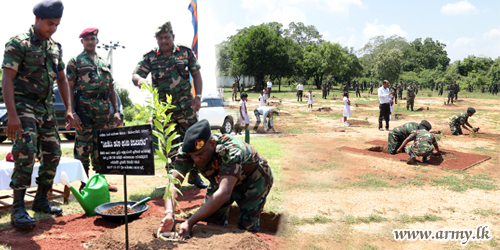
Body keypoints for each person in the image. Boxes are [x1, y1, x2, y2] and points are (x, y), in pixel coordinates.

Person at [1, 0, 79, 228]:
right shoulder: (18, 43)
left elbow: (63, 79)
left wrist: (68, 109)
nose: (53, 28)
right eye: (49, 23)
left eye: (57, 24)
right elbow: (7, 79)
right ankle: (17, 209)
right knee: (26, 151)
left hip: (45, 108)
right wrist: (12, 116)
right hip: (23, 105)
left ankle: (41, 200)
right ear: (37, 19)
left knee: (53, 152)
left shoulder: (55, 46)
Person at [156, 120, 273, 240]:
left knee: (247, 227)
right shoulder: (188, 151)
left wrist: (189, 222)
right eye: (193, 156)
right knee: (211, 220)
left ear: (212, 143)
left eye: (200, 154)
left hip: (254, 180)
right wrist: (169, 213)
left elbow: (224, 193)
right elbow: (173, 185)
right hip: (221, 179)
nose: (196, 159)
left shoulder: (231, 150)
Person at [131, 21, 207, 189]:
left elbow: (196, 74)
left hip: (187, 107)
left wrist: (198, 97)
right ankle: (173, 180)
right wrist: (140, 80)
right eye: (160, 38)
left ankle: (194, 176)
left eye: (166, 37)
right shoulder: (151, 57)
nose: (163, 41)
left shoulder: (185, 52)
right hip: (164, 110)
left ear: (173, 37)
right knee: (170, 146)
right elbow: (135, 74)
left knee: (194, 142)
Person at [66, 28, 121, 192]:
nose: (90, 41)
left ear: (97, 41)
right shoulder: (75, 61)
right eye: (87, 39)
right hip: (83, 106)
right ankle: (85, 183)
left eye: (93, 39)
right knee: (84, 146)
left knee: (101, 145)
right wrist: (71, 111)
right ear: (82, 41)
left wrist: (116, 110)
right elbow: (68, 87)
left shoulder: (104, 62)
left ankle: (101, 181)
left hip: (103, 108)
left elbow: (111, 88)